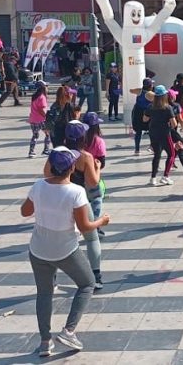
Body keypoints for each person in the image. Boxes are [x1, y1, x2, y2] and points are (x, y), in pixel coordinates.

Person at [21, 147, 111, 357]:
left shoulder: (38, 185)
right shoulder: (75, 191)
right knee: (87, 283)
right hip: (65, 249)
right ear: (72, 168)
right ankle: (69, 330)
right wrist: (102, 221)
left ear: (50, 166)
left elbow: (25, 212)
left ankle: (45, 342)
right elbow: (86, 226)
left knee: (44, 293)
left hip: (39, 249)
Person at [63, 120, 105, 288]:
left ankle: (53, 278)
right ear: (83, 137)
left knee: (62, 237)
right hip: (80, 200)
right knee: (92, 238)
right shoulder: (86, 157)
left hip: (61, 199)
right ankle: (96, 276)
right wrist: (98, 167)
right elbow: (94, 182)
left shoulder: (59, 153)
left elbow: (47, 175)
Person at [143, 85, 177, 186]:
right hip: (165, 133)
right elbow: (174, 123)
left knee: (157, 155)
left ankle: (153, 178)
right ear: (164, 96)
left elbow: (144, 119)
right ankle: (165, 176)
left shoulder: (150, 106)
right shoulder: (168, 108)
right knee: (171, 154)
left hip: (153, 133)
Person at [131, 78, 154, 155]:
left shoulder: (139, 91)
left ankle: (137, 150)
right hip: (146, 113)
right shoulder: (150, 94)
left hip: (137, 112)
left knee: (138, 132)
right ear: (150, 86)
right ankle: (152, 147)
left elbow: (131, 90)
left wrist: (138, 90)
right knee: (151, 130)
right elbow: (160, 99)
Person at [28, 81, 51, 158]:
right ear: (43, 88)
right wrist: (46, 117)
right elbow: (41, 109)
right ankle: (46, 150)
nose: (47, 88)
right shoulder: (42, 97)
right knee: (48, 134)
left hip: (33, 119)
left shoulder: (34, 96)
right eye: (46, 86)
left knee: (35, 135)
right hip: (41, 119)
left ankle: (31, 152)